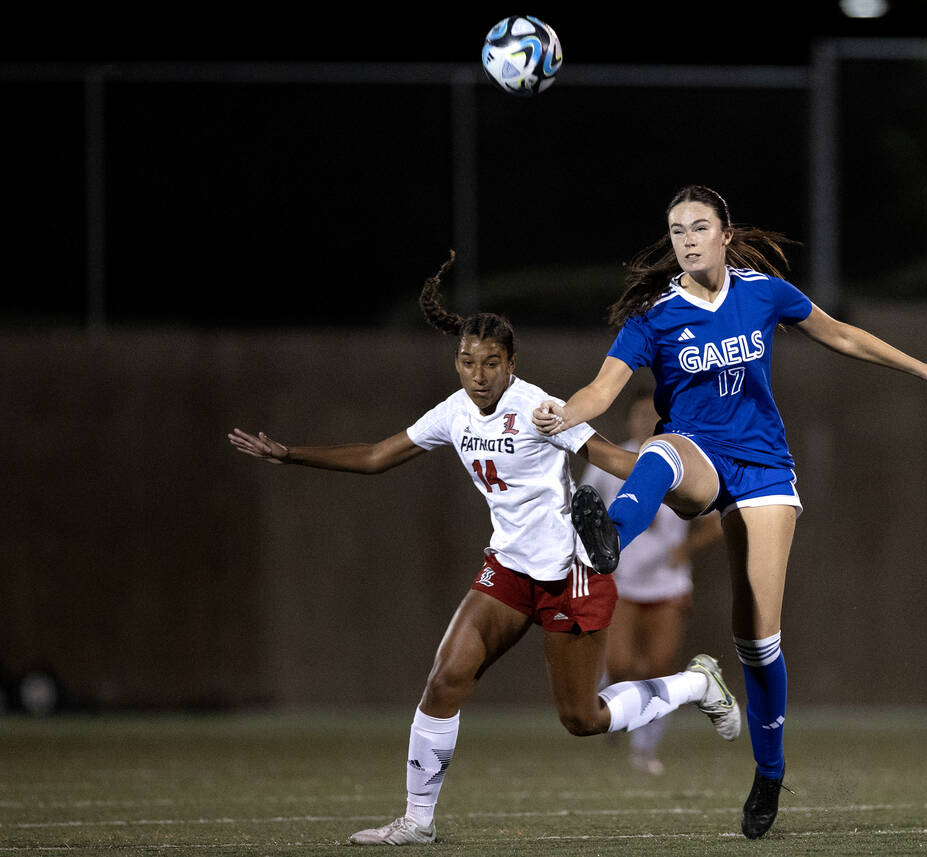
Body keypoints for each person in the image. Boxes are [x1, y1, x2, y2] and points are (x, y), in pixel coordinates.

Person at [227, 252, 742, 847]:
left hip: (572, 570)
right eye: (467, 362)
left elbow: (613, 459)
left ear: (511, 364)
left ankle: (696, 686)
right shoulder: (453, 412)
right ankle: (417, 821)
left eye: (490, 363)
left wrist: (688, 476)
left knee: (582, 719)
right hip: (508, 569)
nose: (477, 374)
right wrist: (290, 454)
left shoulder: (540, 409)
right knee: (445, 680)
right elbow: (375, 456)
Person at [533, 186, 927, 839]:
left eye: (698, 227)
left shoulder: (761, 291)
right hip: (697, 455)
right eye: (676, 230)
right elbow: (603, 388)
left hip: (765, 468)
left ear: (724, 233)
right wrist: (563, 412)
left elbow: (841, 334)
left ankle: (768, 770)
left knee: (758, 637)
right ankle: (610, 539)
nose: (687, 239)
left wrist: (922, 368)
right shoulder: (656, 316)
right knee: (659, 447)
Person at [580, 388, 722, 775]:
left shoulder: (683, 457)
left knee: (660, 665)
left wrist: (685, 549)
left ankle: (644, 749)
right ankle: (611, 705)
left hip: (668, 584)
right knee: (622, 662)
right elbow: (584, 508)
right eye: (638, 415)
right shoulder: (613, 460)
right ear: (628, 419)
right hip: (622, 580)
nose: (644, 422)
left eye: (651, 415)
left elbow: (715, 522)